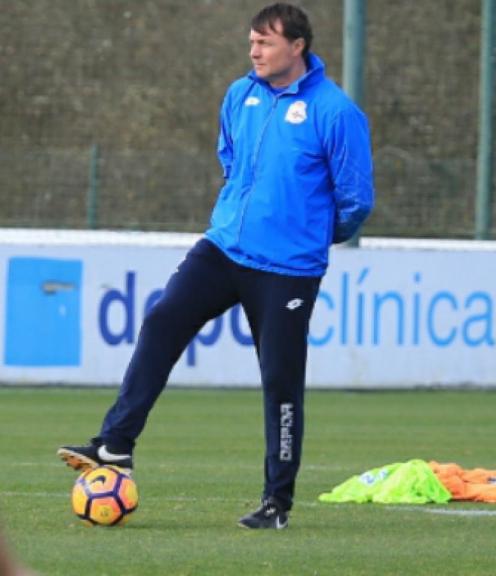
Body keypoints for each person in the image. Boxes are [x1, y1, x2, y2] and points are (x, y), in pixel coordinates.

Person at [57, 2, 374, 530]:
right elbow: (230, 159)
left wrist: (312, 235)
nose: (254, 51)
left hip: (288, 268)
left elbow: (356, 199)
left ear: (297, 47)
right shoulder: (239, 94)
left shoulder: (336, 112)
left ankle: (277, 502)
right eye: (251, 41)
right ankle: (115, 444)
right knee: (163, 318)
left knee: (279, 379)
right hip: (224, 247)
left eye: (265, 43)